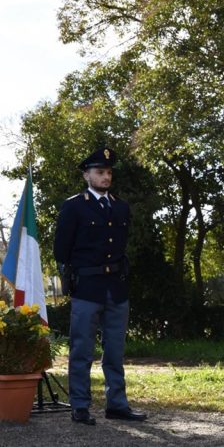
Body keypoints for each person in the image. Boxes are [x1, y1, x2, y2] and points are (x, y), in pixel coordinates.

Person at [54, 147, 147, 425]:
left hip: (116, 288)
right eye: (99, 172)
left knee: (115, 352)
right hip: (87, 287)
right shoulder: (74, 206)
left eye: (108, 172)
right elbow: (61, 250)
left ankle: (116, 404)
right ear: (87, 175)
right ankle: (80, 406)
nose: (106, 177)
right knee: (82, 350)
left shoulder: (120, 206)